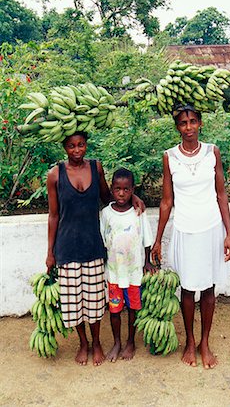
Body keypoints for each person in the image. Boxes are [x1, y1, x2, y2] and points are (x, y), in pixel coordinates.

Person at [46, 132, 145, 366]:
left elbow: (108, 197)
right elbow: (53, 215)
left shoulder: (95, 168)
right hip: (67, 245)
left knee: (93, 300)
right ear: (64, 147)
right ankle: (83, 343)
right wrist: (50, 252)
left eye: (81, 145)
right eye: (71, 146)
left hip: (93, 244)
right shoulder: (55, 175)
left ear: (87, 145)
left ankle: (97, 342)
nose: (77, 150)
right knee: (73, 301)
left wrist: (135, 197)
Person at [152, 104, 230, 369]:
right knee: (187, 289)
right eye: (183, 123)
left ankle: (205, 342)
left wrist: (229, 234)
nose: (188, 128)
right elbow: (166, 201)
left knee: (209, 287)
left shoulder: (212, 152)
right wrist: (157, 239)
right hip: (185, 230)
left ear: (200, 124)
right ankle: (189, 341)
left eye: (193, 122)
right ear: (177, 127)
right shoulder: (170, 157)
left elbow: (221, 194)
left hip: (211, 228)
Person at [100, 168, 154, 362]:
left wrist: (147, 262)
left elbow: (147, 239)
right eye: (117, 189)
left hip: (133, 274)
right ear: (112, 189)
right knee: (114, 310)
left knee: (133, 309)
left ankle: (131, 341)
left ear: (133, 190)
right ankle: (117, 342)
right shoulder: (106, 214)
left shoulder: (138, 212)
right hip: (114, 273)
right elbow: (103, 239)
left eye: (126, 189)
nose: (121, 193)